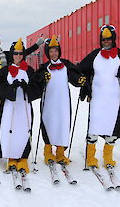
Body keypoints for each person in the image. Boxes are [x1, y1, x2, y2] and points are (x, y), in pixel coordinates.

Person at [78, 25, 120, 168]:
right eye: (103, 40)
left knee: (113, 128)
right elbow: (81, 71)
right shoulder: (94, 55)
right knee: (94, 127)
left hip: (114, 99)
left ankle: (108, 157)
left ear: (113, 40)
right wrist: (85, 86)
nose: (106, 42)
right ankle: (90, 158)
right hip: (97, 99)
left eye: (108, 39)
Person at [34, 35, 86, 165]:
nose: (53, 53)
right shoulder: (44, 67)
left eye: (56, 51)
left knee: (62, 125)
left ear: (59, 51)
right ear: (48, 53)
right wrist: (42, 78)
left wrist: (79, 81)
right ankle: (48, 152)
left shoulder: (66, 65)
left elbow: (75, 77)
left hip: (62, 102)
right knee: (48, 124)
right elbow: (36, 79)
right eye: (51, 51)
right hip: (49, 103)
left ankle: (61, 153)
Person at [0, 38, 40, 174]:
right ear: (12, 55)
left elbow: (37, 86)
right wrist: (10, 89)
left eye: (20, 53)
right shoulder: (5, 70)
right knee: (8, 129)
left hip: (24, 107)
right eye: (15, 53)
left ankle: (23, 158)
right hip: (9, 107)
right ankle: (11, 157)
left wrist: (27, 88)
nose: (18, 56)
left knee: (23, 130)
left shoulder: (29, 70)